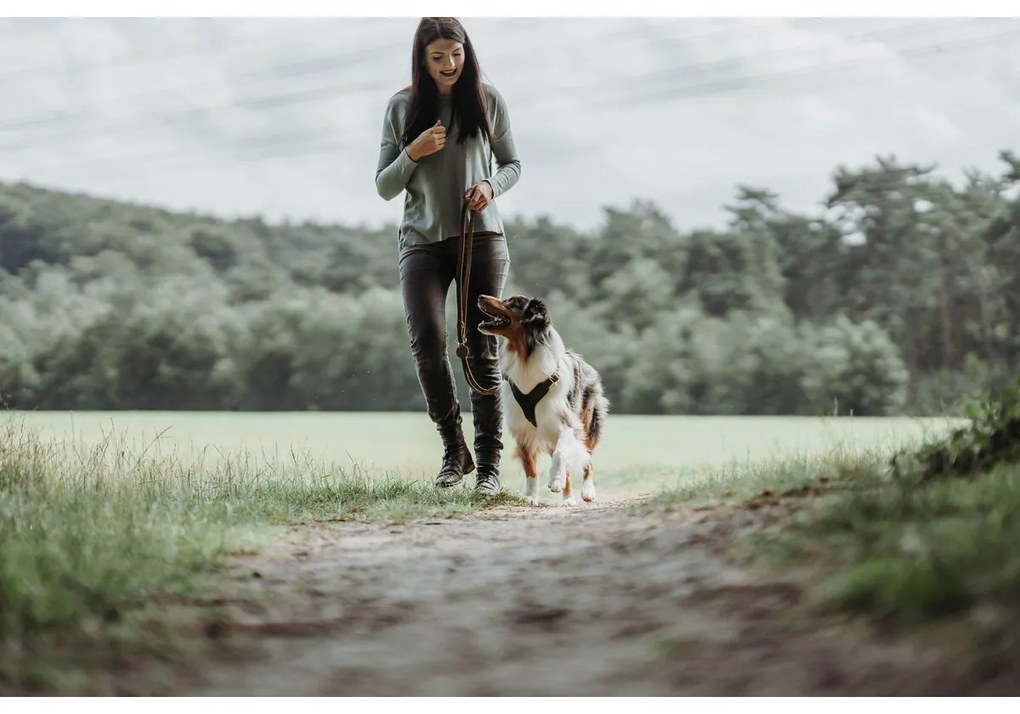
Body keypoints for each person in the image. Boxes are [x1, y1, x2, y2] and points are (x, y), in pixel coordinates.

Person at [375, 17, 521, 496]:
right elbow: (384, 186)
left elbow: (512, 164)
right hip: (421, 241)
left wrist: (489, 185)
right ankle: (454, 449)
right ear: (421, 59)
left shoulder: (486, 98)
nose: (449, 65)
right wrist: (412, 152)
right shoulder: (402, 107)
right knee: (429, 346)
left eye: (455, 54)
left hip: (481, 237)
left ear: (466, 51)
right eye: (437, 57)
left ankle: (490, 468)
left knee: (482, 348)